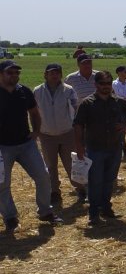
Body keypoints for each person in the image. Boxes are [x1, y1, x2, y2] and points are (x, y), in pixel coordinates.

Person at [1, 60, 62, 233]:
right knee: (2, 184)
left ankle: (45, 211)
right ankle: (10, 217)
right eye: (9, 73)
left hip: (26, 143)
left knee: (43, 176)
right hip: (2, 147)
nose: (14, 76)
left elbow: (34, 113)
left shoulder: (24, 91)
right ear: (1, 74)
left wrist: (36, 131)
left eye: (16, 73)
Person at [73, 70, 126, 227]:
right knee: (95, 182)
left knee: (109, 180)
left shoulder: (117, 101)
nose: (106, 86)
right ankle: (94, 213)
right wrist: (79, 147)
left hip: (115, 148)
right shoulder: (87, 103)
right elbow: (78, 126)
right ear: (96, 85)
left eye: (108, 83)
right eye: (102, 83)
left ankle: (106, 208)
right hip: (95, 149)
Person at [33, 63, 84, 205]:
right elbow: (34, 112)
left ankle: (80, 189)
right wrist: (37, 130)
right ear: (45, 75)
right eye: (51, 73)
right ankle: (54, 192)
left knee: (71, 164)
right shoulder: (37, 91)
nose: (54, 75)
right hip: (46, 135)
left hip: (67, 133)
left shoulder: (69, 90)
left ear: (60, 75)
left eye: (57, 73)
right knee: (51, 166)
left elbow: (76, 109)